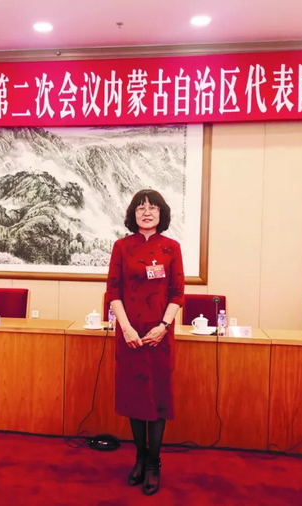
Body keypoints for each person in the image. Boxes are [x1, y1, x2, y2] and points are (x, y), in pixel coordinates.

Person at [106, 189, 184, 496]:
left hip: (159, 336)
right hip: (130, 335)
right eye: (141, 208)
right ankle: (139, 458)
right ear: (133, 214)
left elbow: (177, 293)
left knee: (158, 397)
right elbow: (113, 292)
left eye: (153, 208)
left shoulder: (172, 247)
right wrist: (125, 329)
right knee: (135, 397)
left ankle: (154, 463)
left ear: (161, 214)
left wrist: (164, 326)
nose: (147, 212)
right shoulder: (122, 247)